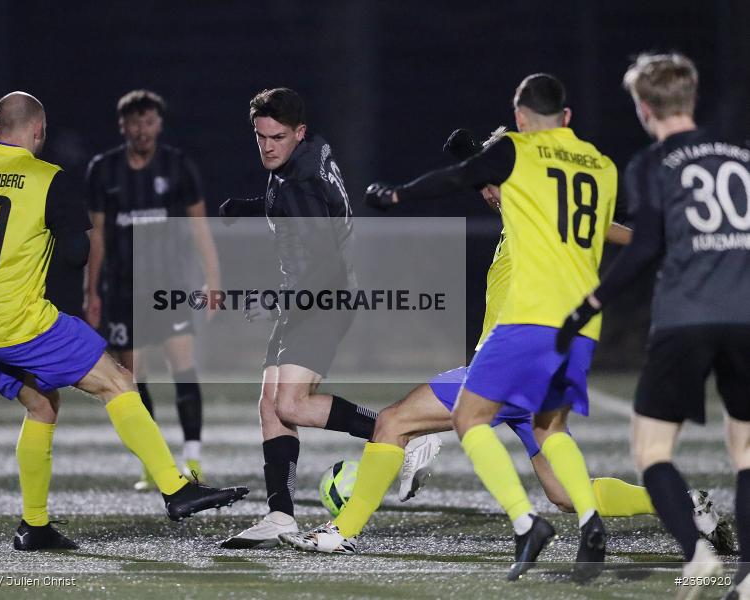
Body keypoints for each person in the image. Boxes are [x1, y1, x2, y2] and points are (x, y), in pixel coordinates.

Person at [281, 128, 730, 557]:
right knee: (563, 493)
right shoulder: (533, 218)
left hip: (507, 367)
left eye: (492, 183)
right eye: (483, 187)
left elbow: (547, 198)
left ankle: (341, 531)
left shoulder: (531, 209)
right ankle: (685, 506)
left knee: (394, 422)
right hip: (537, 371)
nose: (487, 194)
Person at [0, 91, 248, 551]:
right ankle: (175, 488)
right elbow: (76, 254)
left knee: (42, 407)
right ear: (38, 132)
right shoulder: (48, 178)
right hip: (21, 322)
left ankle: (34, 526)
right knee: (119, 382)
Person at [362, 74, 617, 582]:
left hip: (526, 322)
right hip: (582, 324)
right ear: (566, 118)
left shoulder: (518, 153)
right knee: (554, 434)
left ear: (521, 119)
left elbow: (458, 176)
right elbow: (601, 226)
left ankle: (525, 525)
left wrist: (394, 197)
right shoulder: (601, 166)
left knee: (466, 419)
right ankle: (594, 520)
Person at [557, 52, 750, 597]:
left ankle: (697, 553)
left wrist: (585, 308)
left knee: (651, 452)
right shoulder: (742, 157)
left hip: (685, 319)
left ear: (645, 108)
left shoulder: (652, 164)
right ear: (689, 97)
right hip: (746, 318)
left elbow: (643, 250)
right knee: (747, 453)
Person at [217, 87, 440, 549]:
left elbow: (325, 264)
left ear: (297, 132)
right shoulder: (309, 154)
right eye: (260, 137)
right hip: (304, 294)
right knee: (270, 404)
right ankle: (280, 515)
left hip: (320, 298)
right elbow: (299, 209)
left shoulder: (297, 179)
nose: (267, 146)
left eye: (277, 137)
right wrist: (246, 208)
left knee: (292, 404)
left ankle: (403, 433)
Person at [83, 90, 219, 488]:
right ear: (122, 125)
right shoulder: (103, 171)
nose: (142, 130)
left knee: (182, 367)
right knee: (134, 376)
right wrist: (91, 292)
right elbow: (98, 236)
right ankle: (153, 462)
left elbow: (199, 228)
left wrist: (214, 280)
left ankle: (193, 460)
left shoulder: (178, 167)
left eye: (149, 122)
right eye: (134, 123)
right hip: (125, 289)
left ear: (159, 124)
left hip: (171, 285)